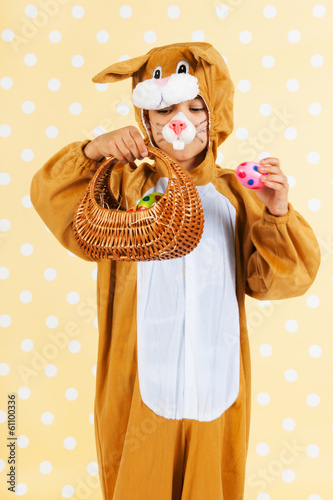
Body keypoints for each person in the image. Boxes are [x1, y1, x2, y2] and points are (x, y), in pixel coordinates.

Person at [31, 42, 320, 500]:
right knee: (137, 477)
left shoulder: (237, 194)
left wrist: (277, 213)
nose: (178, 121)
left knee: (212, 481)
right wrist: (92, 150)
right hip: (138, 375)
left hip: (216, 376)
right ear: (145, 119)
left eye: (194, 107)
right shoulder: (125, 185)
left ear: (216, 112)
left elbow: (281, 280)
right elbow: (57, 200)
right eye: (163, 110)